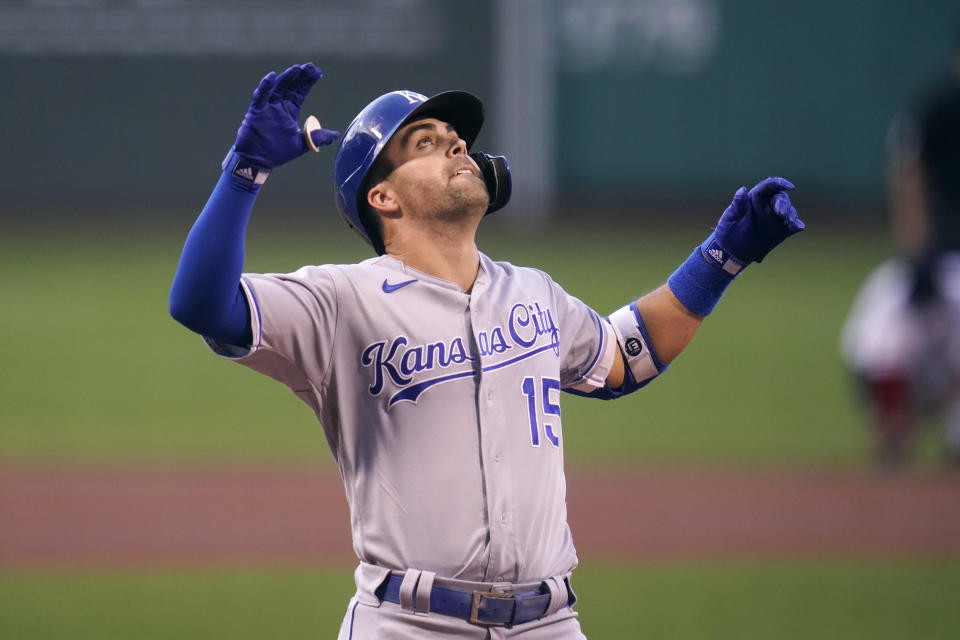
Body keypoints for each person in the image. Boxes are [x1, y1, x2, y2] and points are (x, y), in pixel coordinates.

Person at [169, 62, 804, 638]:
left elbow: (621, 357)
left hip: (550, 622)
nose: (455, 144)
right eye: (425, 142)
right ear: (382, 196)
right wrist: (244, 171)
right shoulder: (340, 301)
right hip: (408, 624)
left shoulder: (532, 292)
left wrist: (723, 259)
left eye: (456, 138)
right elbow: (200, 304)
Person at [841, 27, 960, 469]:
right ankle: (892, 426)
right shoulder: (938, 109)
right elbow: (907, 175)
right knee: (877, 327)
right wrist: (918, 252)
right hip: (934, 259)